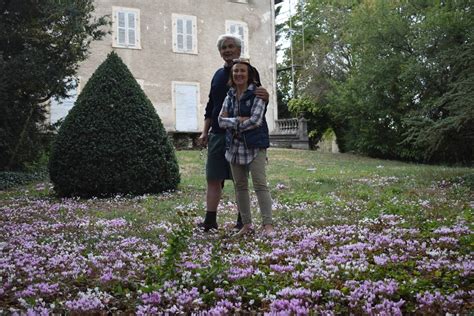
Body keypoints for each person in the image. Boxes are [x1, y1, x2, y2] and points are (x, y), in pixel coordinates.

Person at [198, 34, 269, 232]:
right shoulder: (217, 76)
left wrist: (268, 96)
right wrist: (205, 132)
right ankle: (210, 221)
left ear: (238, 50)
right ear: (220, 53)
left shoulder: (250, 73)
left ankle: (242, 221)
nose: (227, 50)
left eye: (231, 47)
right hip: (218, 134)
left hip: (242, 137)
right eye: (223, 48)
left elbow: (259, 100)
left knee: (241, 181)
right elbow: (211, 106)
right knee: (213, 177)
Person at [218, 58, 274, 236]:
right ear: (232, 75)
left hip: (255, 145)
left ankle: (268, 225)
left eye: (242, 71)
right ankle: (247, 225)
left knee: (260, 185)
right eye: (235, 71)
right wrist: (239, 120)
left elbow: (256, 121)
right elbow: (220, 120)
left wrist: (231, 122)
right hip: (234, 145)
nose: (238, 74)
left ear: (249, 74)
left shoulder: (258, 94)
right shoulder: (230, 95)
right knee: (240, 186)